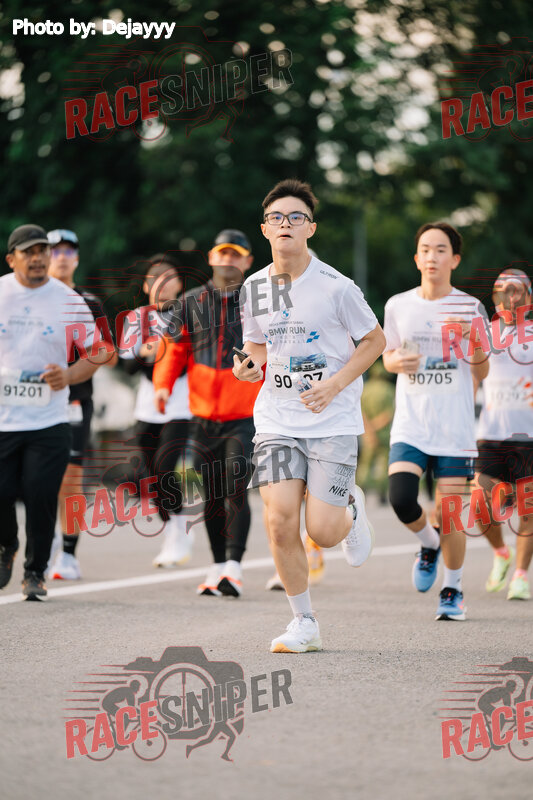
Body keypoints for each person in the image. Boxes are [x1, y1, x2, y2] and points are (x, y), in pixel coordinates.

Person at [233, 178, 385, 652]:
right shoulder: (255, 287)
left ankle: (350, 509)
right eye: (276, 217)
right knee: (279, 520)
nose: (286, 224)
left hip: (331, 420)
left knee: (322, 530)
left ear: (310, 228)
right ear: (264, 229)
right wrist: (248, 366)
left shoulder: (336, 287)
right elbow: (258, 346)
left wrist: (335, 384)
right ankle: (304, 623)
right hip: (277, 419)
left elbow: (375, 341)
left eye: (296, 217)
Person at [383, 222, 489, 620]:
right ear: (417, 259)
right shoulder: (398, 305)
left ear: (454, 259)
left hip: (454, 427)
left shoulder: (470, 308)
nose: (432, 256)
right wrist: (396, 361)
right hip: (411, 424)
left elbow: (482, 371)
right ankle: (428, 544)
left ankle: (453, 589)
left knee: (450, 514)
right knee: (401, 498)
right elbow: (387, 356)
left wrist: (472, 341)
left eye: (441, 250)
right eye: (425, 249)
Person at [0, 225, 108, 600]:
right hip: (3, 420)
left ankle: (35, 572)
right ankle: (7, 543)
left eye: (42, 251)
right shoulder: (1, 293)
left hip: (49, 419)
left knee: (41, 496)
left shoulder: (68, 300)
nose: (38, 258)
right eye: (28, 252)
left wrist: (69, 375)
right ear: (11, 259)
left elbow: (99, 350)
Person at [153, 230, 261, 596]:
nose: (228, 259)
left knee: (235, 484)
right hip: (202, 416)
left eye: (236, 254)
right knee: (211, 492)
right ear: (212, 258)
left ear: (247, 261)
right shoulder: (190, 302)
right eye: (222, 253)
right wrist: (163, 385)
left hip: (244, 413)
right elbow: (173, 350)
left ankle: (234, 566)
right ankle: (217, 567)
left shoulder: (259, 303)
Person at [46, 228, 117, 579]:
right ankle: (43, 543)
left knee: (71, 479)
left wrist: (84, 360)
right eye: (54, 250)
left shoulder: (89, 302)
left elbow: (109, 353)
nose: (61, 257)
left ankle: (69, 553)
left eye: (68, 251)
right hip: (32, 402)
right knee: (36, 478)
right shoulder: (31, 298)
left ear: (76, 258)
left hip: (75, 400)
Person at [120, 254, 193, 566]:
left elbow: (193, 358)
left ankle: (178, 532)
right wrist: (145, 352)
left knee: (165, 468)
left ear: (179, 284)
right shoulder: (136, 318)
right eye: (155, 279)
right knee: (151, 476)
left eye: (168, 278)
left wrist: (163, 350)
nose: (162, 285)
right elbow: (127, 365)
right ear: (146, 286)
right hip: (147, 407)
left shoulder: (189, 313)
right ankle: (172, 527)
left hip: (181, 404)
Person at [475, 269, 533, 600]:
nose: (511, 298)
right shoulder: (484, 335)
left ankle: (521, 576)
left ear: (528, 297)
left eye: (517, 291)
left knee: (528, 510)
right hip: (491, 434)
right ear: (495, 299)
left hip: (529, 436)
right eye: (504, 292)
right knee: (480, 503)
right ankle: (501, 552)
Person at [358, 359, 395, 505]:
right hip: (384, 434)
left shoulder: (365, 389)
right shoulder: (389, 390)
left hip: (367, 434)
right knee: (383, 464)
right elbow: (389, 414)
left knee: (365, 464)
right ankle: (382, 494)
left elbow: (360, 412)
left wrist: (369, 429)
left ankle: (361, 491)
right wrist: (377, 426)